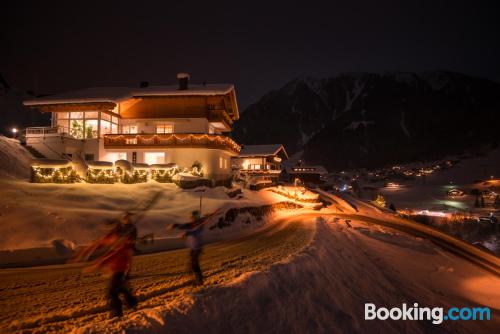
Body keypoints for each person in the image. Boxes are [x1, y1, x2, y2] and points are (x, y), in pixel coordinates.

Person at [72, 212, 139, 317]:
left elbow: (117, 253)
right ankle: (132, 303)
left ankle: (117, 315)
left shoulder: (122, 239)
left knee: (111, 292)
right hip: (114, 269)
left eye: (110, 228)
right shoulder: (111, 236)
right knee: (120, 288)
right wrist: (82, 254)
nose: (107, 231)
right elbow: (97, 244)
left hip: (120, 269)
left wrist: (98, 264)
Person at [171, 209, 220, 286]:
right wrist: (176, 225)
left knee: (194, 264)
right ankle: (195, 279)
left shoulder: (200, 224)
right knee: (192, 264)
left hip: (197, 248)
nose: (193, 218)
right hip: (193, 248)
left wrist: (187, 233)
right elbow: (185, 226)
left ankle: (199, 281)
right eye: (193, 217)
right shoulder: (192, 224)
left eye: (195, 216)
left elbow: (196, 231)